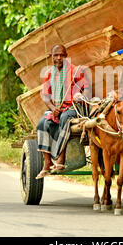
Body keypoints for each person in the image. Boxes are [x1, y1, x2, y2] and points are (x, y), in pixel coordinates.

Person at [35, 44, 91, 179]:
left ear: (66, 57)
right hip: (56, 109)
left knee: (65, 118)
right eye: (56, 55)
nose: (59, 58)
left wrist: (81, 97)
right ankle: (47, 163)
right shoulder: (49, 74)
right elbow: (45, 95)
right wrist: (53, 109)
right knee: (42, 124)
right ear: (51, 57)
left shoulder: (75, 71)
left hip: (74, 108)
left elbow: (87, 89)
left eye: (62, 55)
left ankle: (60, 159)